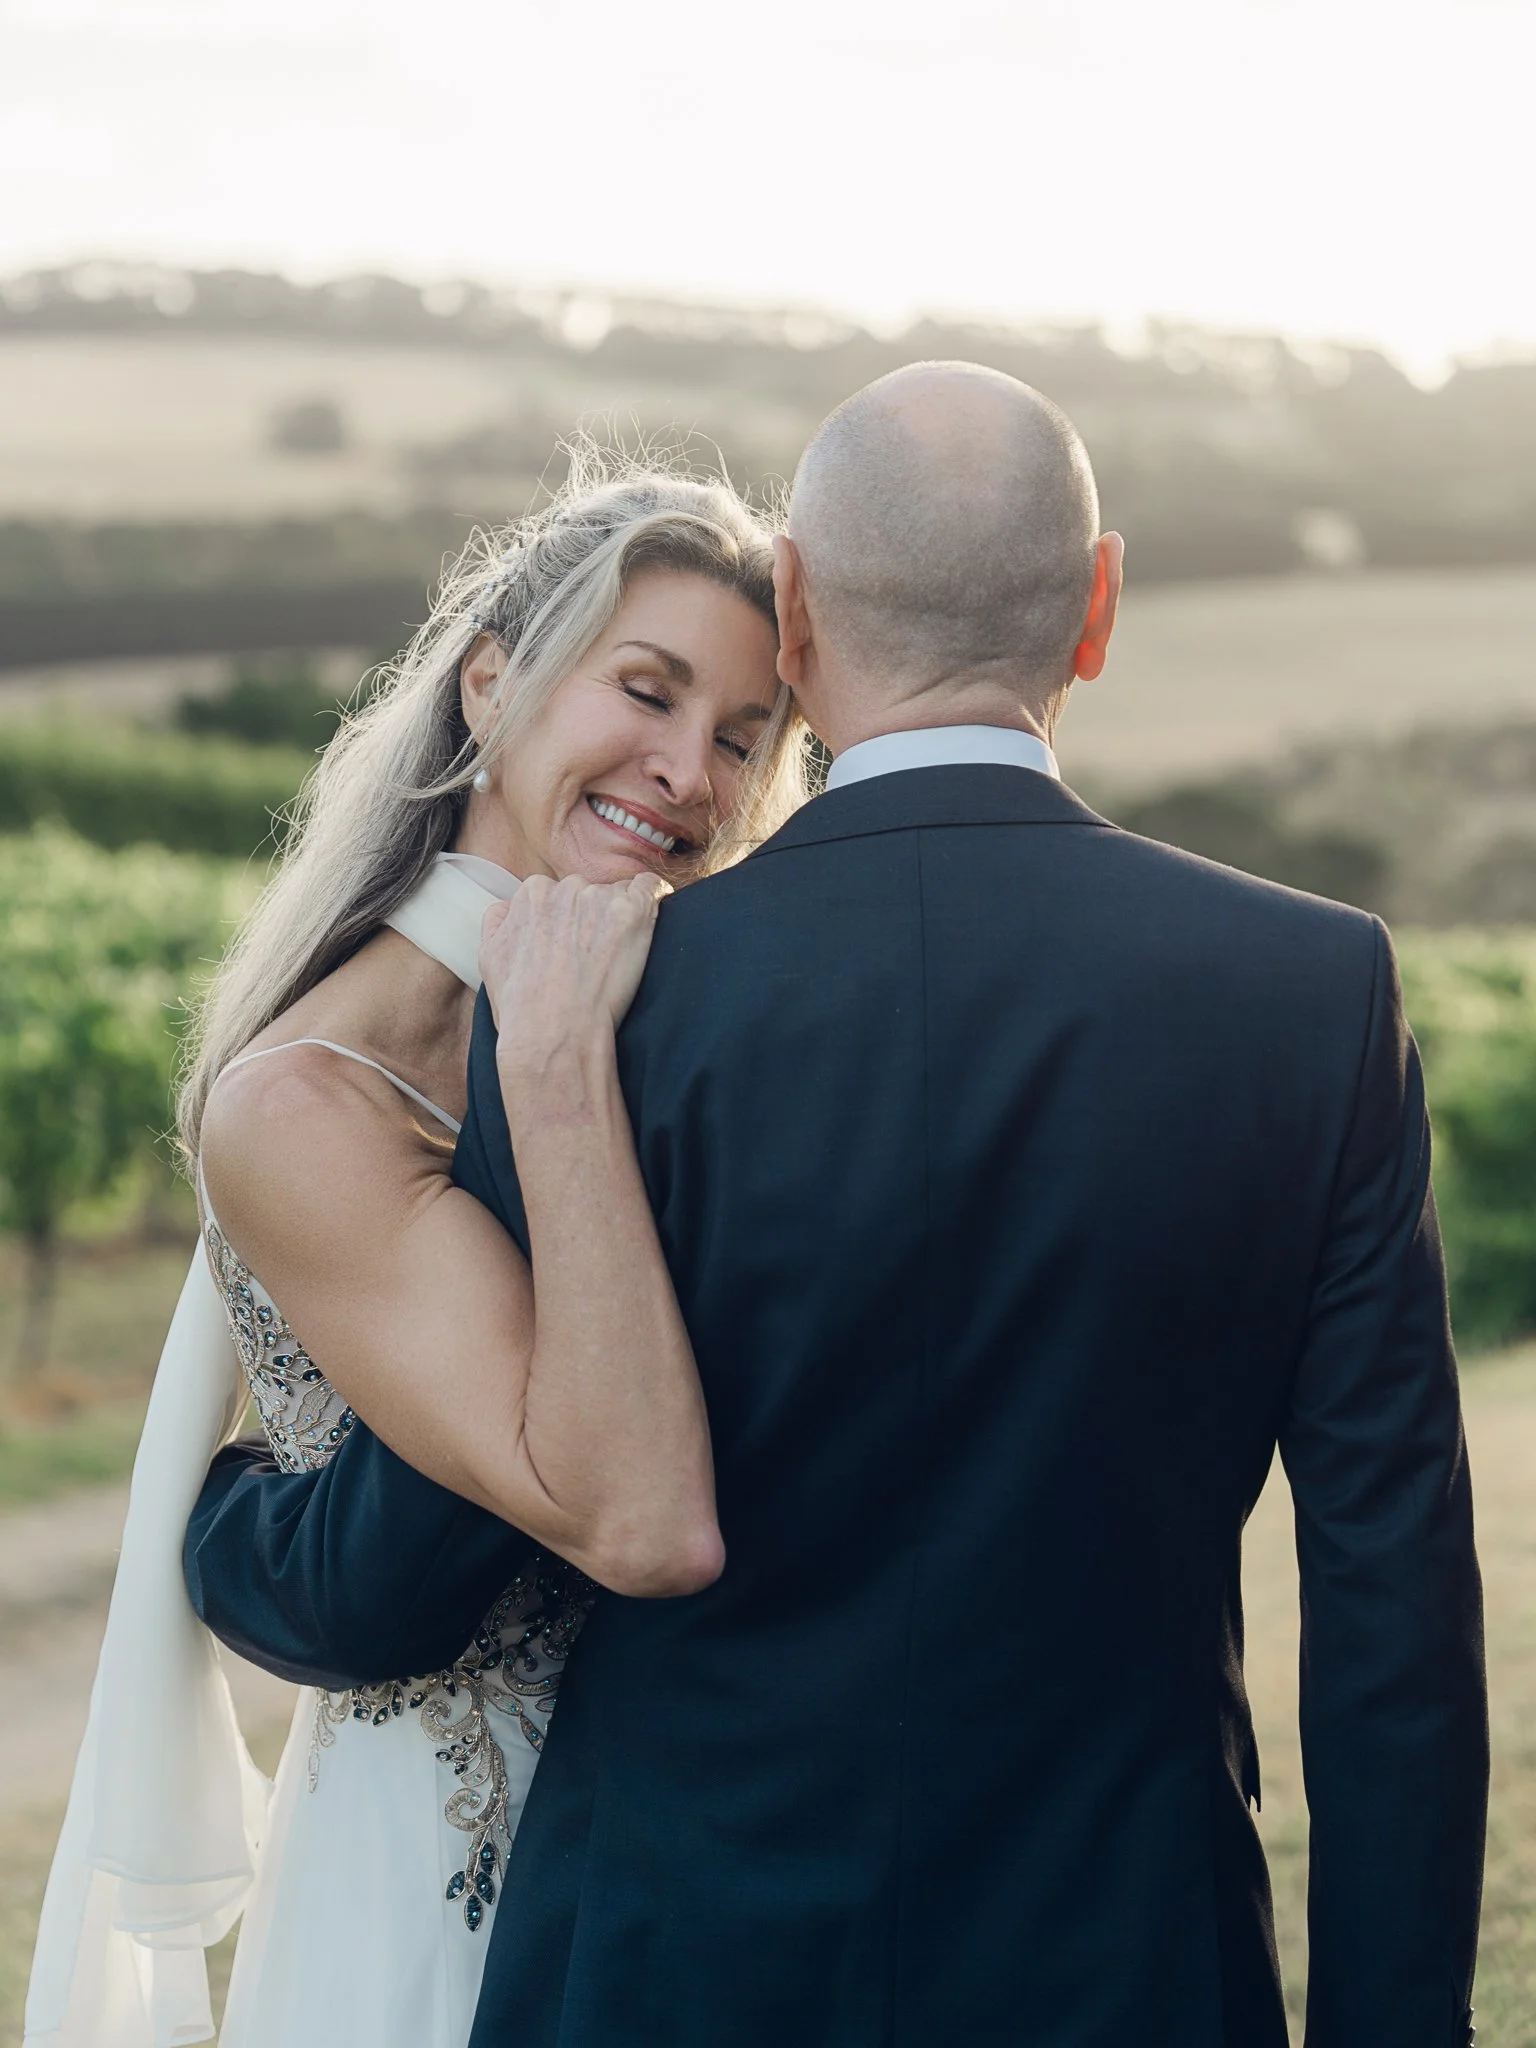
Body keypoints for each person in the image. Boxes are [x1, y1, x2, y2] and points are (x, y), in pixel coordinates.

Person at [186, 364, 1486, 2047]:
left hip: (667, 1965)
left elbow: (443, 1539)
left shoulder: (589, 1004)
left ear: (788, 614)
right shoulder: (1315, 992)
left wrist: (220, 1534)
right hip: (1133, 1962)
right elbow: (1395, 1600)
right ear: (1097, 604)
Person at [25, 451, 809, 2048]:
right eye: (646, 693)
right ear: (490, 678)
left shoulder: (702, 1045)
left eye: (741, 737)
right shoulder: (310, 1100)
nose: (691, 774)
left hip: (713, 1853)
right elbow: (613, 1508)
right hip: (446, 1872)